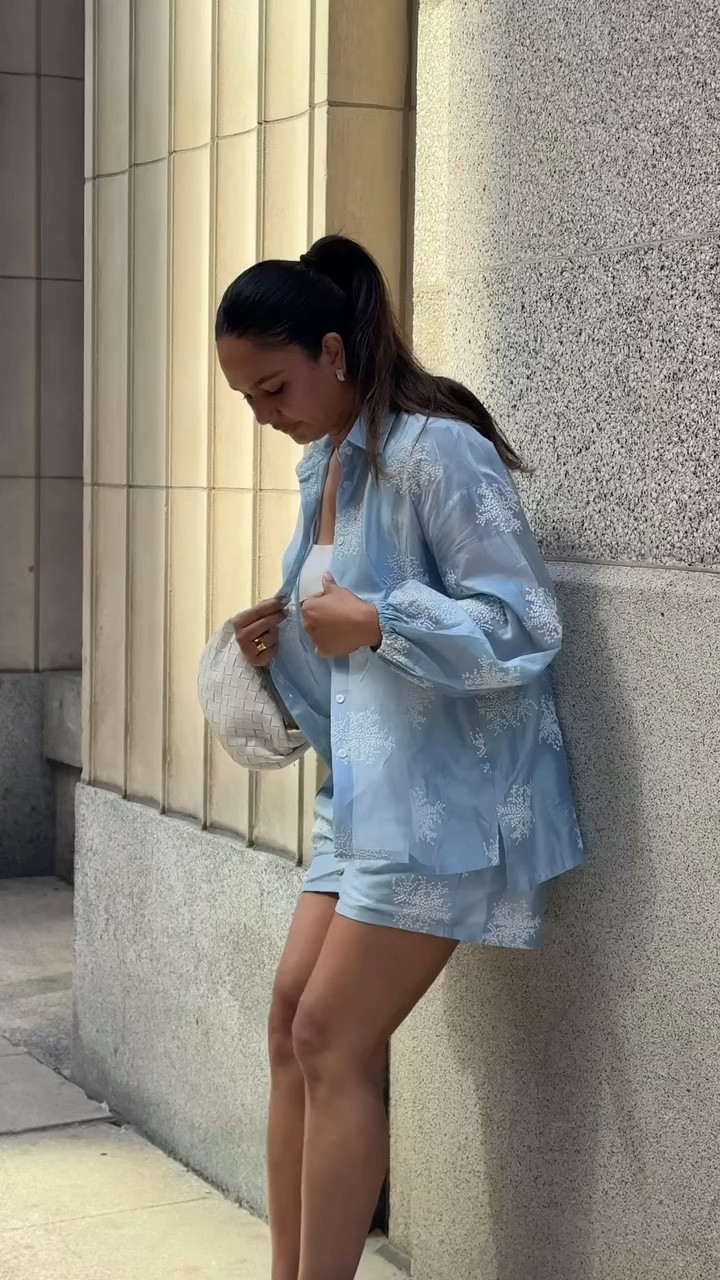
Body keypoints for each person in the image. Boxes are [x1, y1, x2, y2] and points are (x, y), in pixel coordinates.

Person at [215, 235, 584, 1280]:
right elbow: (339, 660)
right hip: (361, 795)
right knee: (291, 1018)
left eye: (273, 386)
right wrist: (278, 640)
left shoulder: (438, 450)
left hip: (443, 799)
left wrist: (377, 618)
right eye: (247, 396)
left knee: (331, 1033)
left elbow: (522, 621)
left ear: (335, 351)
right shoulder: (328, 465)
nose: (264, 413)